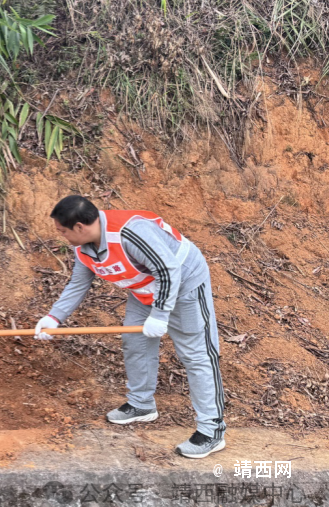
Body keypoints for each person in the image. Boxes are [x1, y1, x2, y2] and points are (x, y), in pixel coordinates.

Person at [34, 195, 225, 458]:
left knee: (197, 356)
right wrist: (54, 318)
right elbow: (79, 283)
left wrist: (160, 314)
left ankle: (212, 430)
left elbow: (168, 270)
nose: (62, 237)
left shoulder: (129, 233)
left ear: (80, 227)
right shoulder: (84, 246)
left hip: (184, 283)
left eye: (63, 231)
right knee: (134, 342)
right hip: (144, 289)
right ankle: (142, 404)